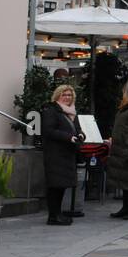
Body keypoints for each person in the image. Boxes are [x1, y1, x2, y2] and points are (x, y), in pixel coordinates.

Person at [41, 84, 85, 226]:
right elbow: (49, 131)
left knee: (62, 186)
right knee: (55, 186)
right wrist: (68, 137)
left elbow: (77, 129)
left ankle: (58, 214)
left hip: (67, 154)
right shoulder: (51, 110)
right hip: (55, 154)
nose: (67, 97)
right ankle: (53, 216)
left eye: (70, 95)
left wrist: (80, 135)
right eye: (64, 95)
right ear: (58, 95)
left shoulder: (71, 112)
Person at [106, 82, 128, 220]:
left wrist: (127, 146)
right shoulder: (126, 107)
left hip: (127, 149)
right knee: (124, 180)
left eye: (124, 91)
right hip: (120, 148)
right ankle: (126, 207)